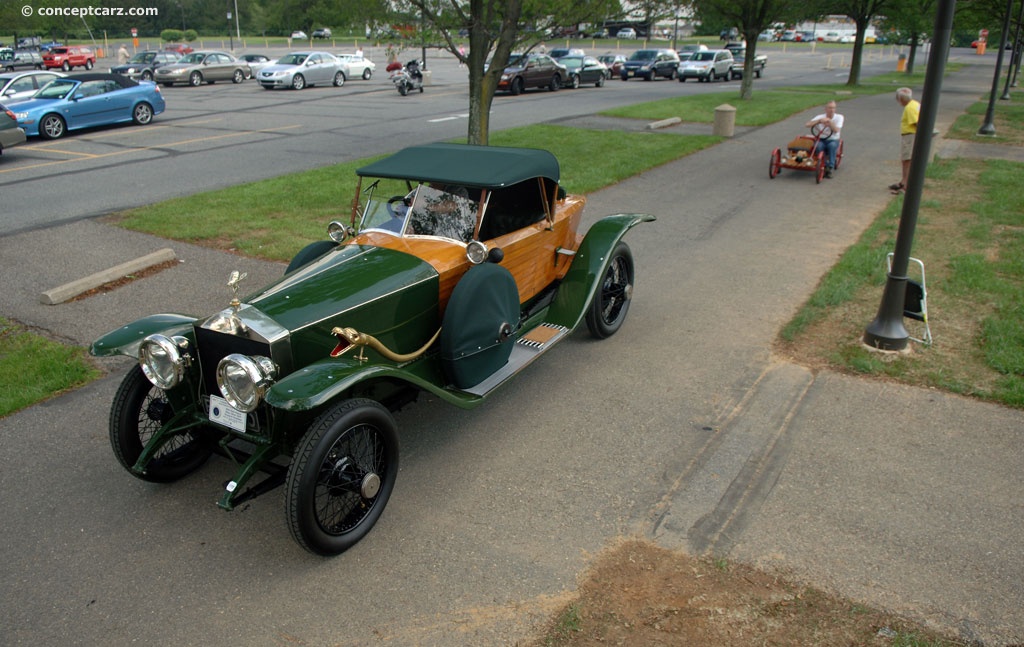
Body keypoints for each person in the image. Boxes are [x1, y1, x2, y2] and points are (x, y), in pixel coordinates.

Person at [891, 87, 919, 195]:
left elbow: (916, 122)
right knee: (905, 159)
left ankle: (906, 185)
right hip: (909, 135)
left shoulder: (909, 108)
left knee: (907, 159)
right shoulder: (914, 104)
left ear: (901, 99)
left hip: (910, 136)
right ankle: (903, 181)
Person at [805, 100, 843, 178]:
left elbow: (836, 130)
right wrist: (819, 121)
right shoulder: (820, 117)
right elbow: (807, 124)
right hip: (821, 139)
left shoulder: (839, 117)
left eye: (833, 108)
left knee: (832, 146)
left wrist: (830, 123)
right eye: (830, 108)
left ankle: (830, 167)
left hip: (833, 139)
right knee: (818, 146)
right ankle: (824, 165)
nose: (832, 110)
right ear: (825, 109)